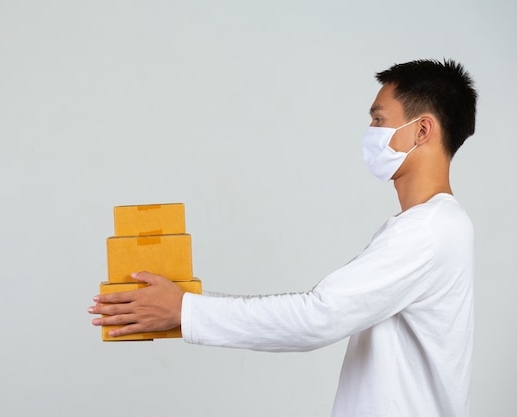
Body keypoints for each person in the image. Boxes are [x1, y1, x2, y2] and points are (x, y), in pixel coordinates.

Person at [88, 59, 478, 417]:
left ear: (422, 129)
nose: (370, 133)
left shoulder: (427, 232)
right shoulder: (430, 227)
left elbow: (319, 316)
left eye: (379, 120)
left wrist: (184, 311)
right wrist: (184, 302)